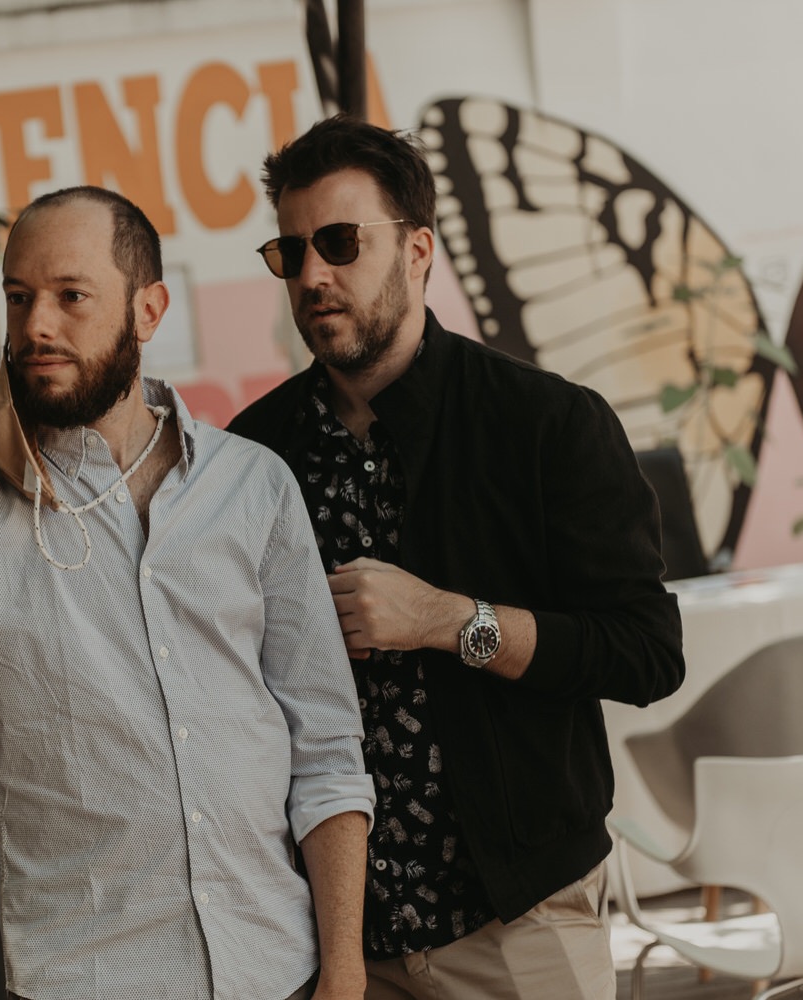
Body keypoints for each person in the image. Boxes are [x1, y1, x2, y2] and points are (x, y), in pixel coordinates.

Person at [0, 185, 377, 1000]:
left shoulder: (253, 486)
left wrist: (343, 972)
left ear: (148, 311)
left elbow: (326, 749)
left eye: (71, 296)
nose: (36, 327)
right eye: (19, 298)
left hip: (281, 973)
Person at [228, 116, 685, 999]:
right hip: (329, 940)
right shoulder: (254, 455)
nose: (313, 275)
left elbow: (645, 653)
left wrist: (450, 621)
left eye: (340, 242)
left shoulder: (548, 424)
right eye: (291, 252)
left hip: (518, 923)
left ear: (419, 249)